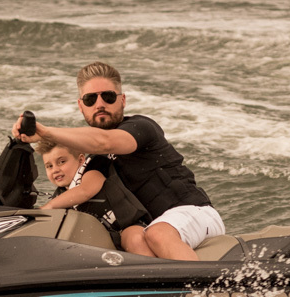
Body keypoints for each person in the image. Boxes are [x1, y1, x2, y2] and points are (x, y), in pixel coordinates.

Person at [13, 62, 223, 261]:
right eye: (90, 99)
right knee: (133, 237)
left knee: (157, 233)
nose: (100, 104)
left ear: (122, 100)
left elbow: (104, 142)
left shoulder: (141, 128)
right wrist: (37, 212)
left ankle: (201, 294)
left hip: (194, 212)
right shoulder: (98, 161)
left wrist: (46, 133)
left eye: (108, 96)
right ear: (81, 106)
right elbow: (84, 188)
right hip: (155, 226)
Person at [36, 138, 150, 242]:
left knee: (134, 240)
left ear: (81, 160)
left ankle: (153, 264)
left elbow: (84, 191)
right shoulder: (59, 196)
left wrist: (48, 207)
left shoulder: (93, 169)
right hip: (102, 237)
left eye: (62, 162)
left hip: (128, 226)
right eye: (49, 166)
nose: (55, 169)